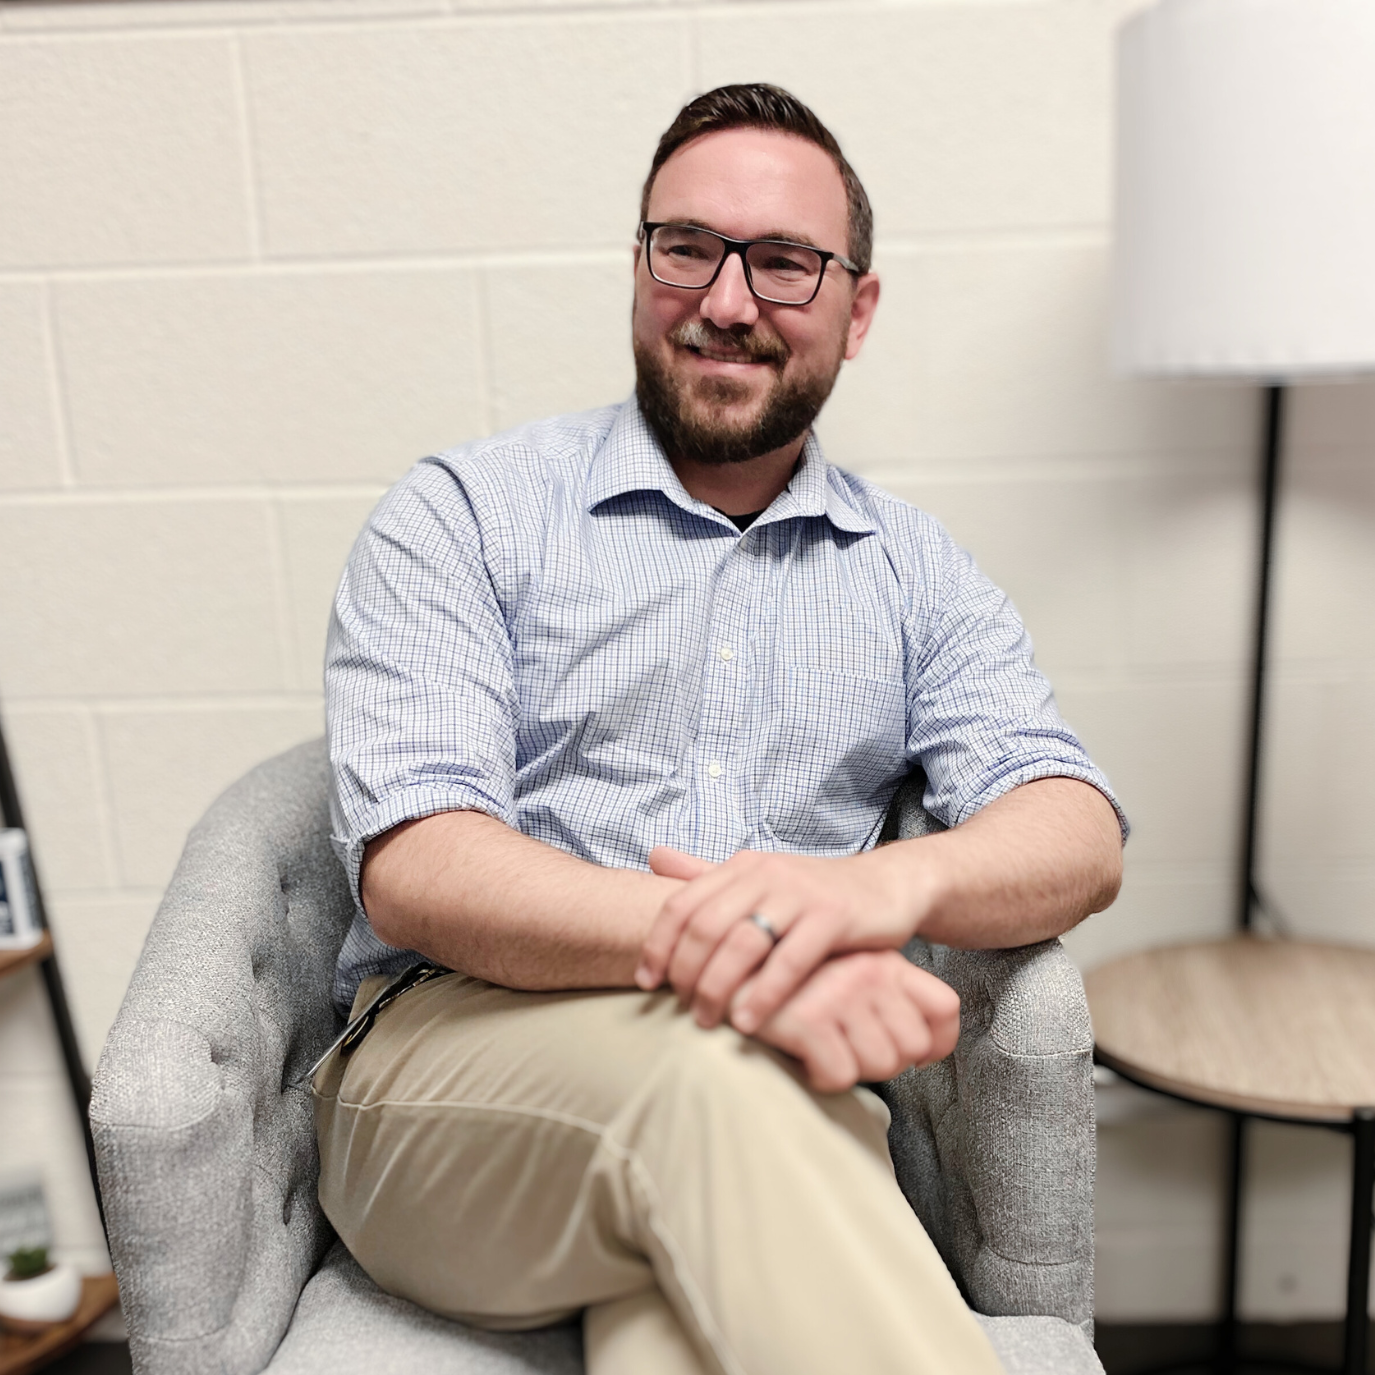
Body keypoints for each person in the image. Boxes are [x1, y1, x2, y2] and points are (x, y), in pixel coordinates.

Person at [315, 83, 1125, 1375]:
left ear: (858, 309)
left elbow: (1073, 829)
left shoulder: (914, 573)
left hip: (767, 1109)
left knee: (694, 1307)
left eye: (785, 263)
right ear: (638, 267)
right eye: (686, 247)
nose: (728, 300)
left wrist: (871, 891)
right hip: (449, 1080)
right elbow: (419, 863)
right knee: (717, 1082)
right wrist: (754, 946)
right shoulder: (464, 514)